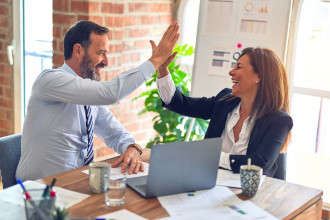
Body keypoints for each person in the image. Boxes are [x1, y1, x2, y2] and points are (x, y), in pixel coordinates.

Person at [16, 20, 179, 181]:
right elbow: (110, 93)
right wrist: (155, 61)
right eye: (101, 53)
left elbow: (114, 133)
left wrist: (131, 147)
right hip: (38, 191)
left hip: (75, 184)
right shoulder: (50, 80)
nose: (106, 62)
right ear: (78, 51)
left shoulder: (89, 96)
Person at [156, 47, 293, 177]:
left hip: (252, 193)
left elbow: (259, 164)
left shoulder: (279, 120)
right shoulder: (225, 101)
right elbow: (181, 104)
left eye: (239, 67)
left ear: (259, 76)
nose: (231, 72)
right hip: (210, 183)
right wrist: (162, 69)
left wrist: (212, 156)